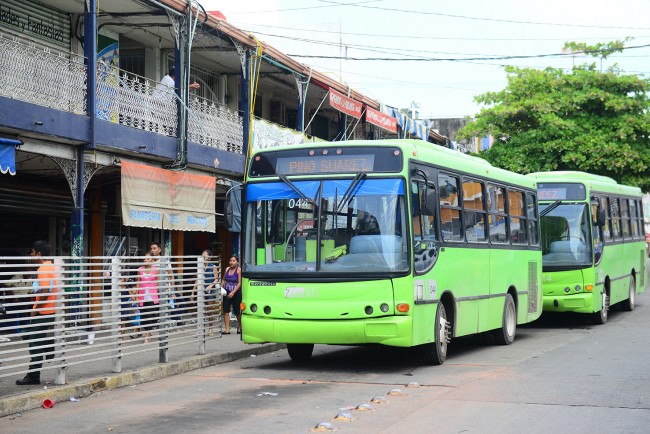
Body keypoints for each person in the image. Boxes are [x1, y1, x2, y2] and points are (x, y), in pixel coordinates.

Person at [16, 241, 58, 386]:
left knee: (34, 341)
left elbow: (45, 292)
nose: (32, 255)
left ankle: (33, 375)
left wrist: (36, 310)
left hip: (43, 311)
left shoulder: (43, 269)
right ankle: (47, 343)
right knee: (31, 336)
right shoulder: (53, 266)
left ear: (39, 253)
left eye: (33, 252)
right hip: (50, 310)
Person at [192, 250, 220, 336]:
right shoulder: (199, 267)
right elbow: (197, 280)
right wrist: (193, 292)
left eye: (204, 256)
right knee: (200, 309)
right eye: (201, 256)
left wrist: (211, 286)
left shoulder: (213, 266)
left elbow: (216, 279)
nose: (202, 257)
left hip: (211, 290)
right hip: (201, 290)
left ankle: (210, 328)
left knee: (209, 310)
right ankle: (199, 330)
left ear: (209, 258)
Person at [136, 252, 159, 344]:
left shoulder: (156, 270)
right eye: (145, 259)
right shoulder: (140, 269)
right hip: (142, 296)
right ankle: (148, 332)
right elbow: (137, 283)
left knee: (149, 315)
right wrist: (136, 296)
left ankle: (146, 335)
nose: (146, 260)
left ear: (152, 260)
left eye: (148, 259)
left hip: (152, 296)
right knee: (143, 315)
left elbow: (159, 283)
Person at [221, 255, 242, 335]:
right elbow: (224, 279)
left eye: (233, 261)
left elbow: (239, 283)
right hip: (226, 293)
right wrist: (221, 288)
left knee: (237, 311)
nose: (231, 262)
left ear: (237, 262)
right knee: (226, 311)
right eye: (230, 260)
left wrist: (233, 292)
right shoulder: (227, 269)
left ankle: (240, 326)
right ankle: (227, 329)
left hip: (236, 293)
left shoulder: (238, 270)